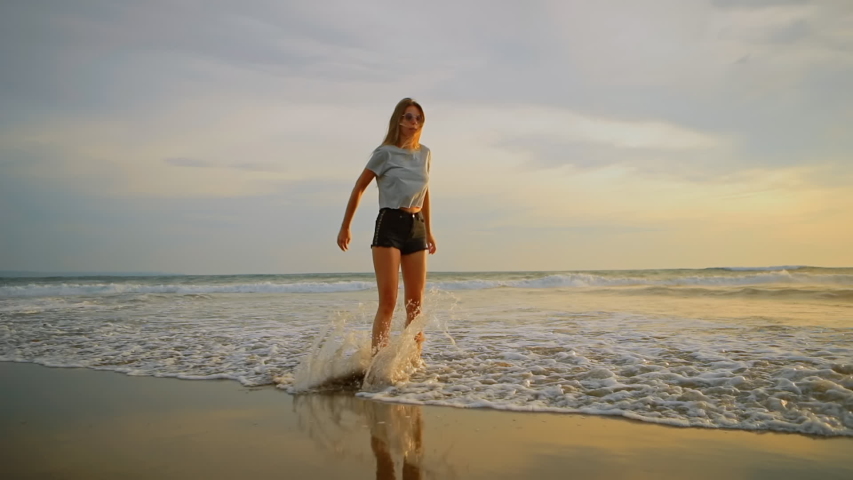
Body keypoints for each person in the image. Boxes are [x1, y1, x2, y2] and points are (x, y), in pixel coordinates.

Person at [337, 98, 437, 356]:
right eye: (408, 117)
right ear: (398, 120)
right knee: (389, 301)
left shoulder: (425, 154)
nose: (413, 122)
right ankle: (378, 363)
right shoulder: (384, 153)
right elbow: (359, 187)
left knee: (415, 305)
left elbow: (425, 192)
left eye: (418, 118)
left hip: (417, 226)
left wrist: (429, 230)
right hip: (389, 224)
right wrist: (346, 226)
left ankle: (413, 361)